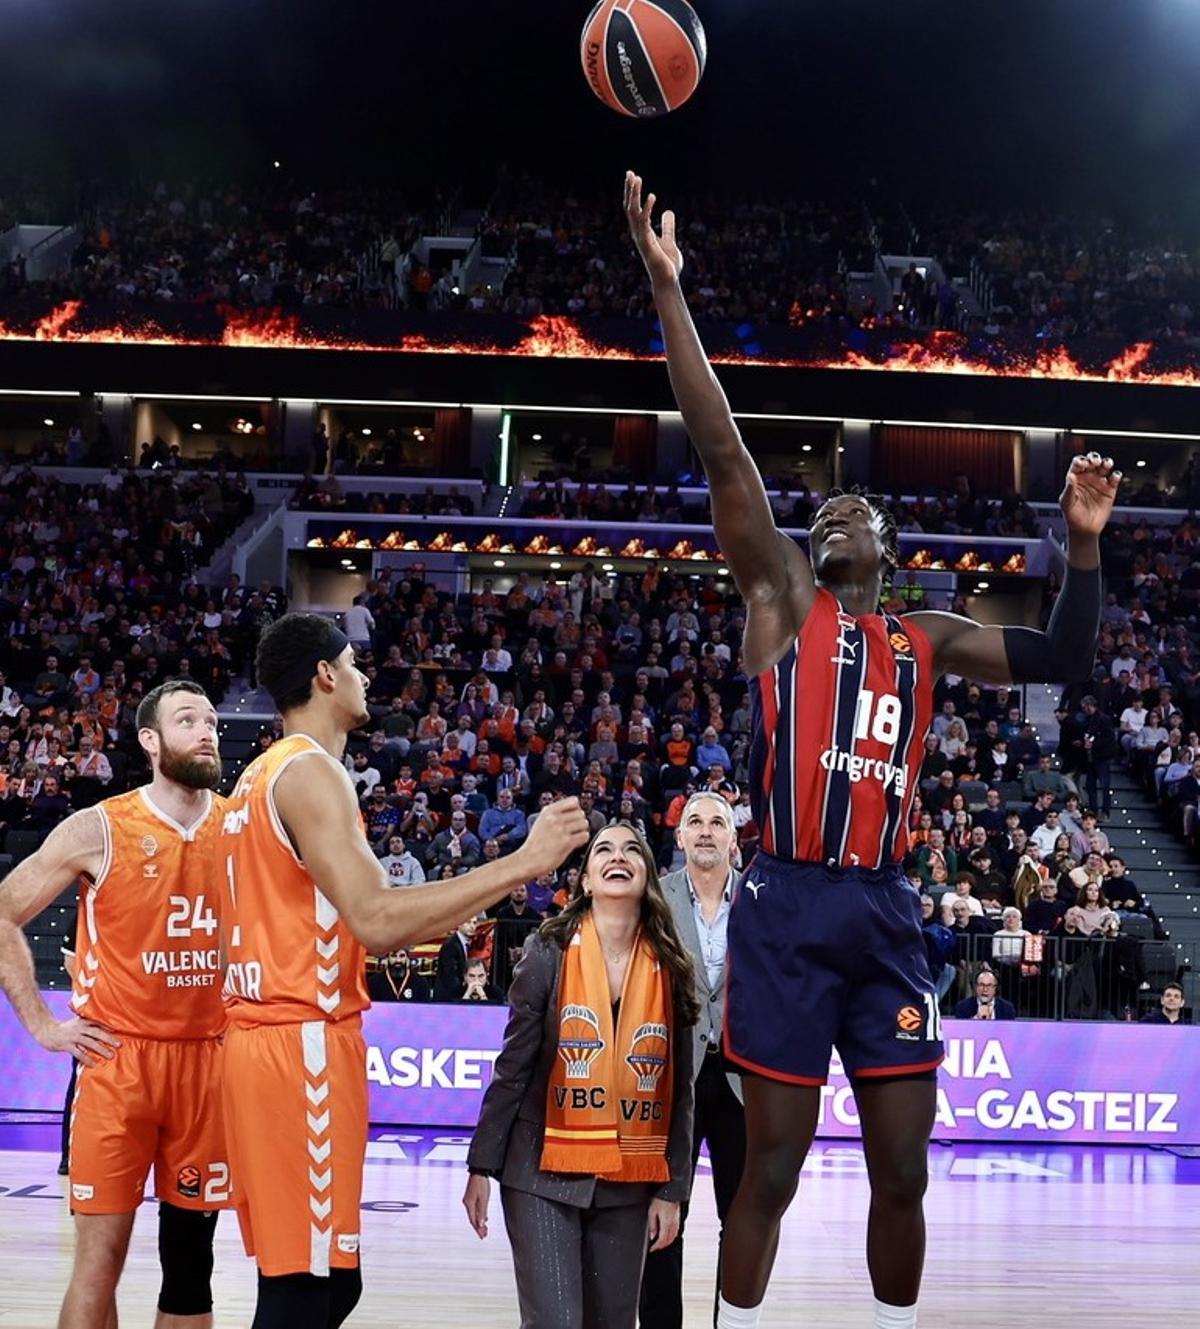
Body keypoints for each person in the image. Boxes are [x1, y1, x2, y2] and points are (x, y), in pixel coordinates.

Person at [626, 169, 1114, 1329]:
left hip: (887, 912)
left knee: (905, 1170)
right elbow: (724, 448)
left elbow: (1061, 659)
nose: (830, 515)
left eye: (853, 512)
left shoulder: (927, 635)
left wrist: (1084, 549)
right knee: (774, 1172)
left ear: (889, 545)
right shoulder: (786, 604)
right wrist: (667, 293)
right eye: (819, 515)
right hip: (789, 906)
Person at [220, 613, 589, 1328]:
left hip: (270, 1041)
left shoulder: (256, 777)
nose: (364, 676)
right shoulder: (309, 771)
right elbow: (379, 919)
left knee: (326, 1283)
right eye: (354, 662)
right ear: (325, 675)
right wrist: (524, 862)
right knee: (303, 1292)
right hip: (299, 1041)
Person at [0, 679, 229, 1329]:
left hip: (207, 1064)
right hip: (119, 1063)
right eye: (188, 719)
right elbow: (4, 912)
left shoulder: (243, 827)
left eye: (212, 718)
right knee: (98, 1267)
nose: (208, 729)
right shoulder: (98, 826)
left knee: (192, 1271)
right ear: (151, 740)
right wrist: (44, 1026)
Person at [462, 823, 698, 1329]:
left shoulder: (671, 967)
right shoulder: (548, 952)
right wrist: (481, 1165)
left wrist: (673, 1189)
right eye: (604, 850)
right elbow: (513, 1068)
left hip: (630, 1180)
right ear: (587, 880)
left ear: (647, 877)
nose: (619, 856)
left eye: (632, 850)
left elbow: (681, 1092)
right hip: (539, 1170)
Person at [640, 791, 746, 1329]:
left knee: (743, 1221)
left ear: (733, 837)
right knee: (660, 1216)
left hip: (741, 1078)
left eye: (717, 823)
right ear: (679, 837)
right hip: (668, 1078)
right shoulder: (653, 899)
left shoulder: (759, 899)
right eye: (695, 822)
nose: (706, 831)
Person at [365, 949, 430, 1003]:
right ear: (387, 958)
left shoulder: (421, 983)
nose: (398, 960)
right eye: (393, 956)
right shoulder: (374, 982)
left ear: (407, 958)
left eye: (402, 956)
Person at [952, 969, 1016, 1020]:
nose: (985, 989)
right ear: (976, 987)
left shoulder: (1007, 1009)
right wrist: (976, 1018)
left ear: (995, 988)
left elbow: (1009, 1032)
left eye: (989, 985)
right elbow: (961, 1032)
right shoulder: (962, 1007)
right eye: (981, 985)